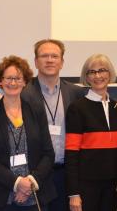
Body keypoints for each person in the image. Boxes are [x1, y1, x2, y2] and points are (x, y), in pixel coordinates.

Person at [0, 55, 56, 211]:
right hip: (2, 197)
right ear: (0, 81)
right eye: (8, 78)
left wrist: (30, 182)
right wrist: (17, 183)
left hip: (34, 194)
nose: (13, 83)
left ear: (25, 82)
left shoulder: (36, 111)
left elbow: (48, 153)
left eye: (18, 78)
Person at [21, 39, 86, 211]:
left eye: (54, 56)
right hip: (36, 174)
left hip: (67, 174)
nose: (49, 60)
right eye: (44, 56)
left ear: (62, 62)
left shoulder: (76, 93)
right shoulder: (23, 94)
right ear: (36, 61)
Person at [65, 54, 117, 211]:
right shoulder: (77, 108)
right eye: (92, 72)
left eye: (102, 70)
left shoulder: (116, 107)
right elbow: (71, 153)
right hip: (86, 186)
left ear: (109, 74)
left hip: (112, 186)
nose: (98, 76)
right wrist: (74, 193)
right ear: (86, 77)